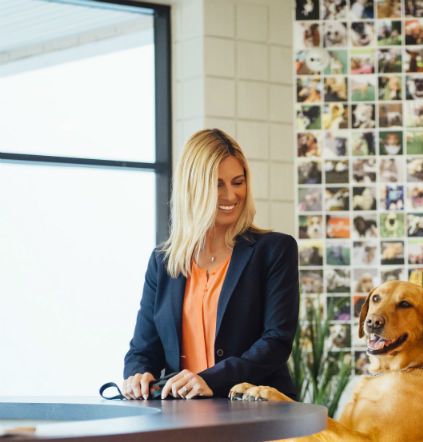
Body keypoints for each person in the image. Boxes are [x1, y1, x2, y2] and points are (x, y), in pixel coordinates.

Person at [122, 129, 299, 400]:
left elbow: (276, 341)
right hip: (182, 419)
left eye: (237, 182)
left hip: (257, 414)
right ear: (193, 189)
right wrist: (138, 374)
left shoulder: (274, 250)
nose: (231, 195)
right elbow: (142, 349)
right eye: (218, 185)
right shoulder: (163, 262)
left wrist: (210, 380)